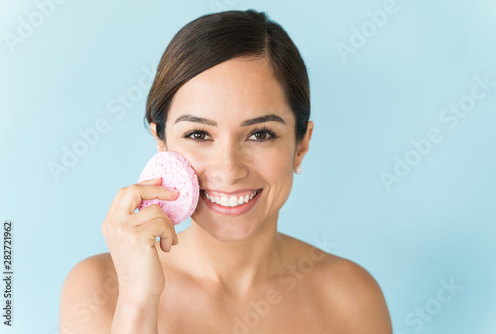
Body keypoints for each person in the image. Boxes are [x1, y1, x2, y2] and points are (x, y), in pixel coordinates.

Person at [59, 9, 392, 334]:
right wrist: (138, 300)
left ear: (301, 145)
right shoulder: (100, 290)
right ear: (161, 143)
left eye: (260, 134)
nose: (229, 170)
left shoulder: (352, 297)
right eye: (199, 135)